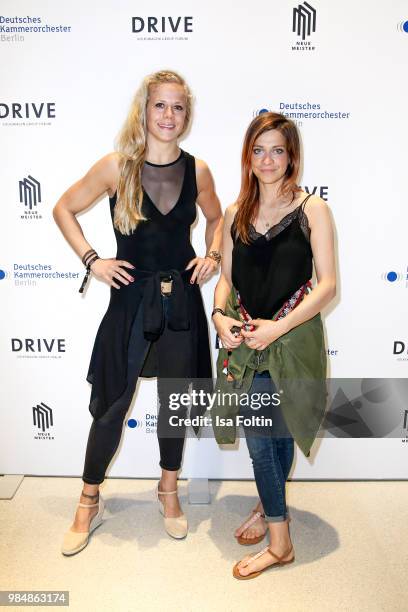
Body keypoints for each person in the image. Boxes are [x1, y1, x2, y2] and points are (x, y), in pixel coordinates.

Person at [53, 70, 223, 555]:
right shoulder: (116, 166)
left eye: (178, 107)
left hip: (182, 303)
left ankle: (168, 490)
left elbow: (217, 218)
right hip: (130, 301)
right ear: (144, 111)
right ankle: (88, 499)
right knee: (112, 403)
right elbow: (64, 208)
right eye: (161, 106)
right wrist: (93, 261)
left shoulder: (200, 171)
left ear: (186, 116)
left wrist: (211, 255)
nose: (169, 116)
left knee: (174, 402)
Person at [211, 111, 336, 579]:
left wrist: (277, 329)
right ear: (248, 154)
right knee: (262, 438)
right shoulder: (234, 212)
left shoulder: (313, 210)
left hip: (294, 339)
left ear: (292, 157)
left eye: (277, 150)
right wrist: (219, 315)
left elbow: (327, 286)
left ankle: (272, 519)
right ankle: (280, 534)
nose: (267, 159)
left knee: (279, 435)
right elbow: (225, 279)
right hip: (245, 340)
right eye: (258, 149)